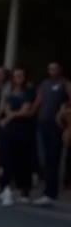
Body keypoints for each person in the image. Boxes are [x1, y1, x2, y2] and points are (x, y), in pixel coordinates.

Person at [0, 65, 36, 206]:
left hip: (23, 129)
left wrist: (10, 116)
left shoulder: (28, 91)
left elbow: (25, 110)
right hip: (9, 130)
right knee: (5, 158)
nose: (18, 78)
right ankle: (5, 187)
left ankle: (24, 189)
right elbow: (5, 106)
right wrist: (2, 119)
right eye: (16, 75)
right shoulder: (10, 90)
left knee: (22, 160)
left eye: (21, 75)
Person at [32, 62, 70, 208]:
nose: (53, 71)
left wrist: (64, 112)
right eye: (51, 69)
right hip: (42, 123)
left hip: (56, 126)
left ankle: (50, 193)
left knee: (53, 159)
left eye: (56, 69)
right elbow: (38, 101)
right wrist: (32, 112)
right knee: (44, 158)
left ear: (60, 70)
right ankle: (47, 191)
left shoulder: (65, 83)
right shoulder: (45, 84)